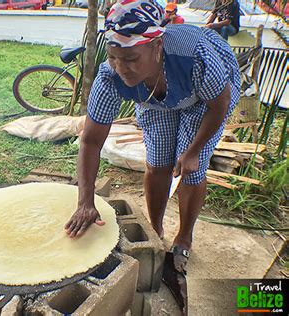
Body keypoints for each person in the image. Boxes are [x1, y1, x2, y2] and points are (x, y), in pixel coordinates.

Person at [64, 0, 240, 279]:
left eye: (131, 59)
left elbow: (219, 104)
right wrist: (85, 201)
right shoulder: (110, 78)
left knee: (190, 172)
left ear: (156, 46)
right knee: (158, 164)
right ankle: (155, 230)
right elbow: (90, 142)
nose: (121, 68)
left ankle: (184, 238)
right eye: (114, 57)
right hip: (152, 99)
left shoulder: (195, 56)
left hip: (203, 102)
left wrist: (194, 151)